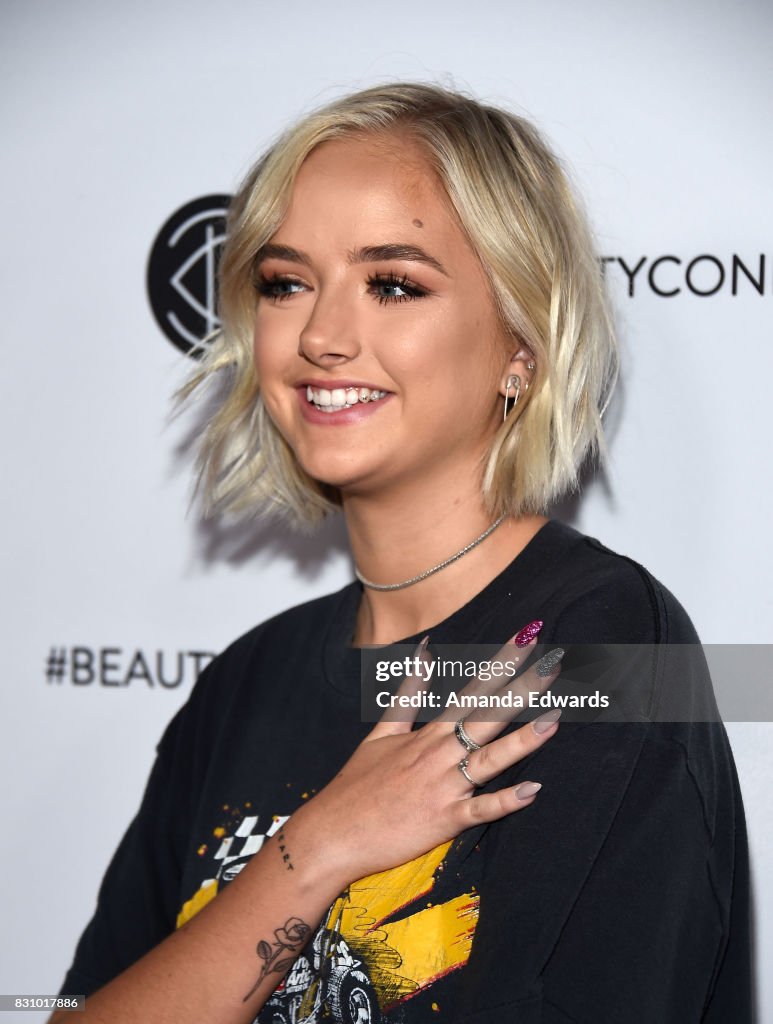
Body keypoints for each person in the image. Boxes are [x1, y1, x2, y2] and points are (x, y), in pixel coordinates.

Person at [53, 81, 751, 1023]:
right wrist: (315, 851)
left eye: (393, 284)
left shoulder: (604, 654)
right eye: (285, 282)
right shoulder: (245, 684)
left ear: (522, 344)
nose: (321, 336)